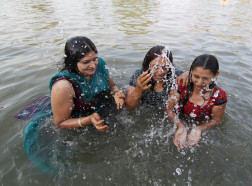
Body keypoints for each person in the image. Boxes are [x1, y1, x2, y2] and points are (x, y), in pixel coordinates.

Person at [15, 36, 124, 173]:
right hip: (75, 117)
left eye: (94, 58)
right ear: (73, 62)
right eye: (86, 62)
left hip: (98, 109)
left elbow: (112, 86)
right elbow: (59, 123)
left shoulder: (100, 64)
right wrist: (88, 120)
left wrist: (116, 93)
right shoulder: (63, 86)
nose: (93, 65)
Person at [166, 54, 227, 150]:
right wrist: (180, 125)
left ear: (216, 75)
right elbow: (169, 108)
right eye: (196, 76)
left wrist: (199, 129)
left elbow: (216, 120)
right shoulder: (181, 84)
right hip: (178, 121)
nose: (199, 82)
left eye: (205, 79)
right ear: (190, 72)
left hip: (201, 126)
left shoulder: (219, 96)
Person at [125, 45, 188, 110]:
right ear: (148, 66)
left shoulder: (176, 75)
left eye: (165, 67)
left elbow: (195, 75)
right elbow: (129, 108)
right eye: (155, 67)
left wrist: (187, 73)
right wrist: (138, 90)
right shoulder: (139, 75)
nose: (160, 72)